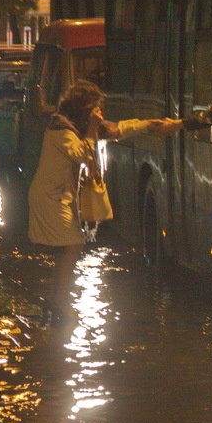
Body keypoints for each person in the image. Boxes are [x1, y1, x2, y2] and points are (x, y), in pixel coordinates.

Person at [28, 80, 157, 325]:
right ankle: (60, 301)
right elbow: (84, 155)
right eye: (96, 108)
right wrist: (92, 129)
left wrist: (149, 124)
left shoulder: (77, 127)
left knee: (69, 248)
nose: (100, 113)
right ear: (84, 108)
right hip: (49, 198)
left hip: (59, 197)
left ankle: (56, 299)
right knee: (73, 245)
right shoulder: (61, 130)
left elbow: (118, 129)